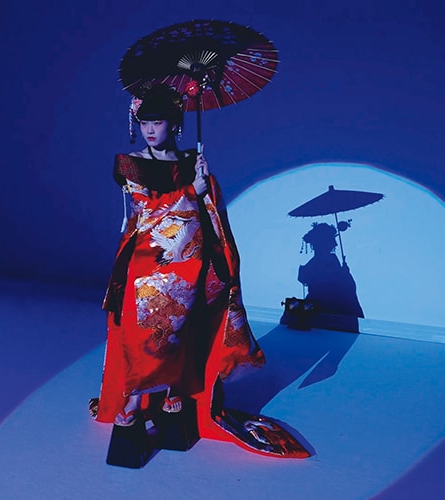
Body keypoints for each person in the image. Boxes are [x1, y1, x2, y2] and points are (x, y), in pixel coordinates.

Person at [92, 84, 309, 458]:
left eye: (158, 122)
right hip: (146, 263)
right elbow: (147, 213)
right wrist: (191, 192)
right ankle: (132, 407)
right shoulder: (129, 163)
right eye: (144, 122)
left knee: (186, 331)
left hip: (189, 263)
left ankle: (174, 396)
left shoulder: (192, 160)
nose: (150, 130)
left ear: (174, 123)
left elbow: (211, 212)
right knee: (143, 334)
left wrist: (207, 184)